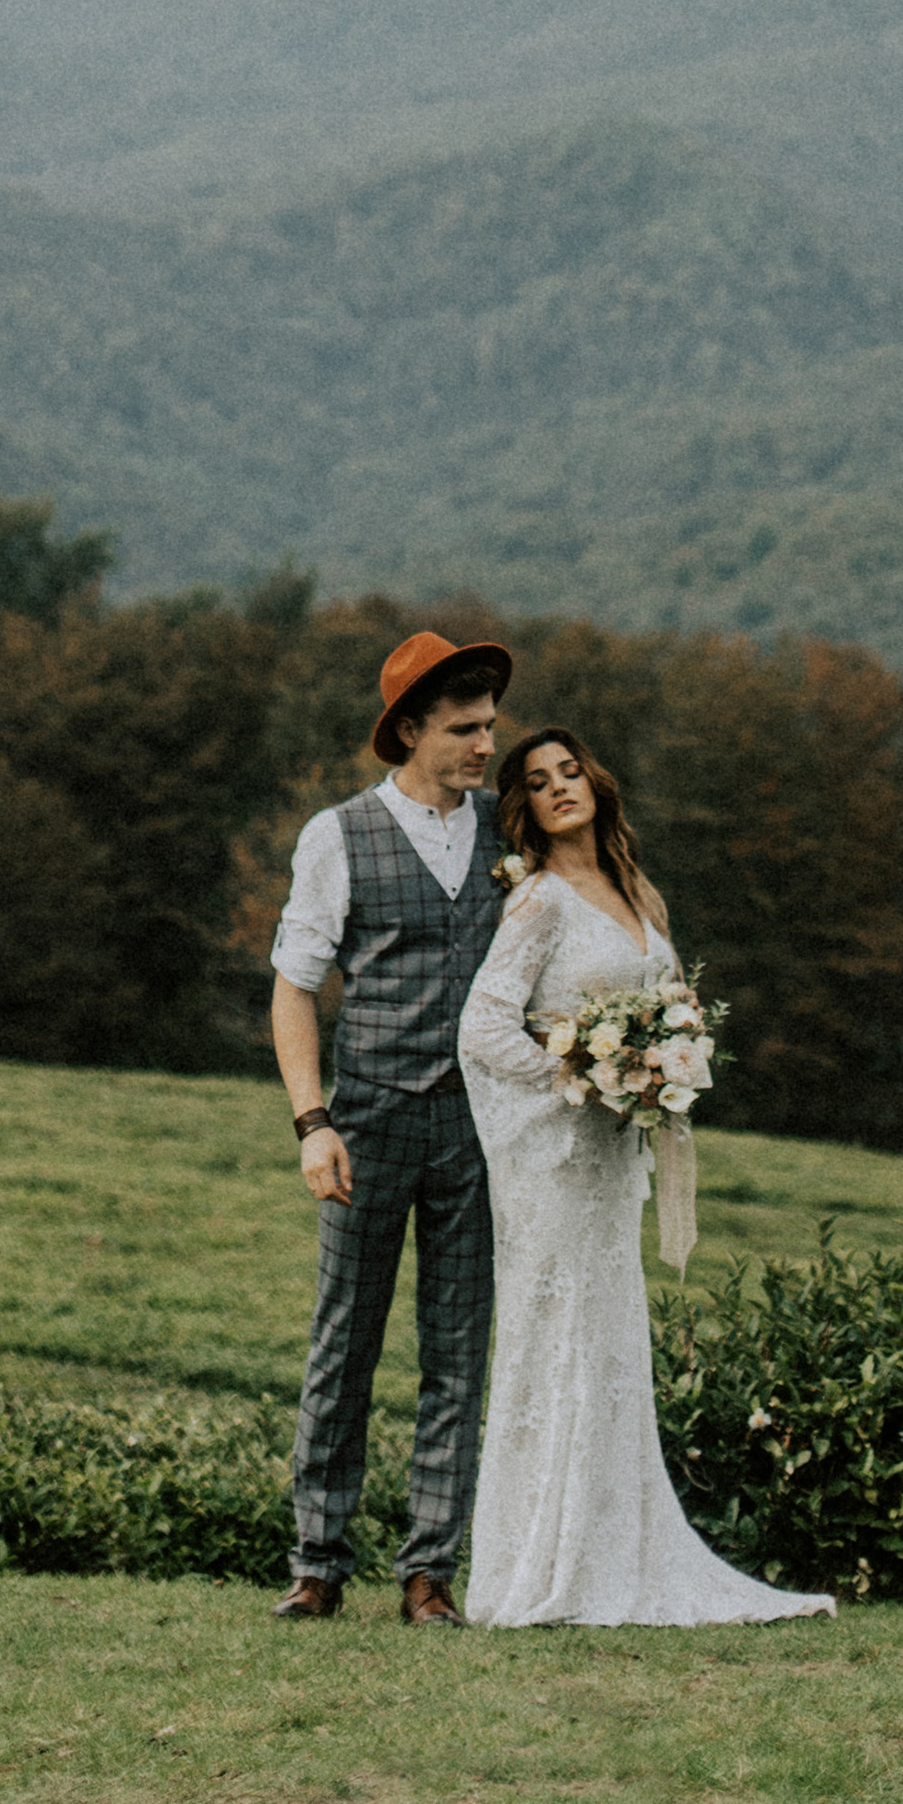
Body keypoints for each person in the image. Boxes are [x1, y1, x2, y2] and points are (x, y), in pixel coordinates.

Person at [455, 726, 834, 1627]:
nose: (558, 789)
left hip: (612, 1162)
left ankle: (612, 1553)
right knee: (557, 1338)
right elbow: (483, 1029)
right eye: (539, 783)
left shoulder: (638, 894)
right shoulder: (539, 902)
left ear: (596, 783)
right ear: (527, 811)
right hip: (556, 1160)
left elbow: (660, 1006)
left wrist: (667, 1053)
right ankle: (541, 1567)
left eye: (569, 772)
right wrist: (576, 1075)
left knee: (609, 1340)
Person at [269, 627, 515, 1627]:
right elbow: (291, 992)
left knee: (458, 1352)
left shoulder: (510, 829)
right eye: (464, 728)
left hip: (479, 1129)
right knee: (346, 1344)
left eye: (491, 725)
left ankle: (429, 1575)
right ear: (409, 730)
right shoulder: (339, 835)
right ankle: (317, 1564)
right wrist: (311, 1123)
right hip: (367, 1120)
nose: (485, 744)